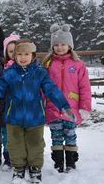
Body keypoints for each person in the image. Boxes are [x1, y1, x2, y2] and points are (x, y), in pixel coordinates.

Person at [0, 39, 74, 184]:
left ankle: (35, 169)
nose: (23, 57)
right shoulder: (9, 74)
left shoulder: (40, 73)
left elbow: (52, 90)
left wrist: (64, 106)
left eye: (26, 54)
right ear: (15, 56)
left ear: (33, 55)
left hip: (35, 117)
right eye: (19, 54)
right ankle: (18, 169)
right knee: (15, 145)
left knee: (35, 145)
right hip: (14, 118)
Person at [42, 24, 92, 173]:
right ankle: (58, 163)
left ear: (69, 45)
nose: (59, 47)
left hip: (72, 108)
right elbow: (42, 86)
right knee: (56, 136)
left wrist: (85, 106)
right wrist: (42, 103)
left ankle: (70, 162)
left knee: (70, 135)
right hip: (54, 108)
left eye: (63, 44)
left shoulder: (78, 64)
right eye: (56, 45)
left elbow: (85, 87)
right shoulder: (47, 64)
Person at [0, 34, 20, 171]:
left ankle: (19, 157)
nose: (13, 54)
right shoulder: (2, 68)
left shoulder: (27, 68)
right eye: (10, 51)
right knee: (6, 134)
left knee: (20, 134)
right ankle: (7, 158)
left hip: (21, 107)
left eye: (16, 51)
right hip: (6, 106)